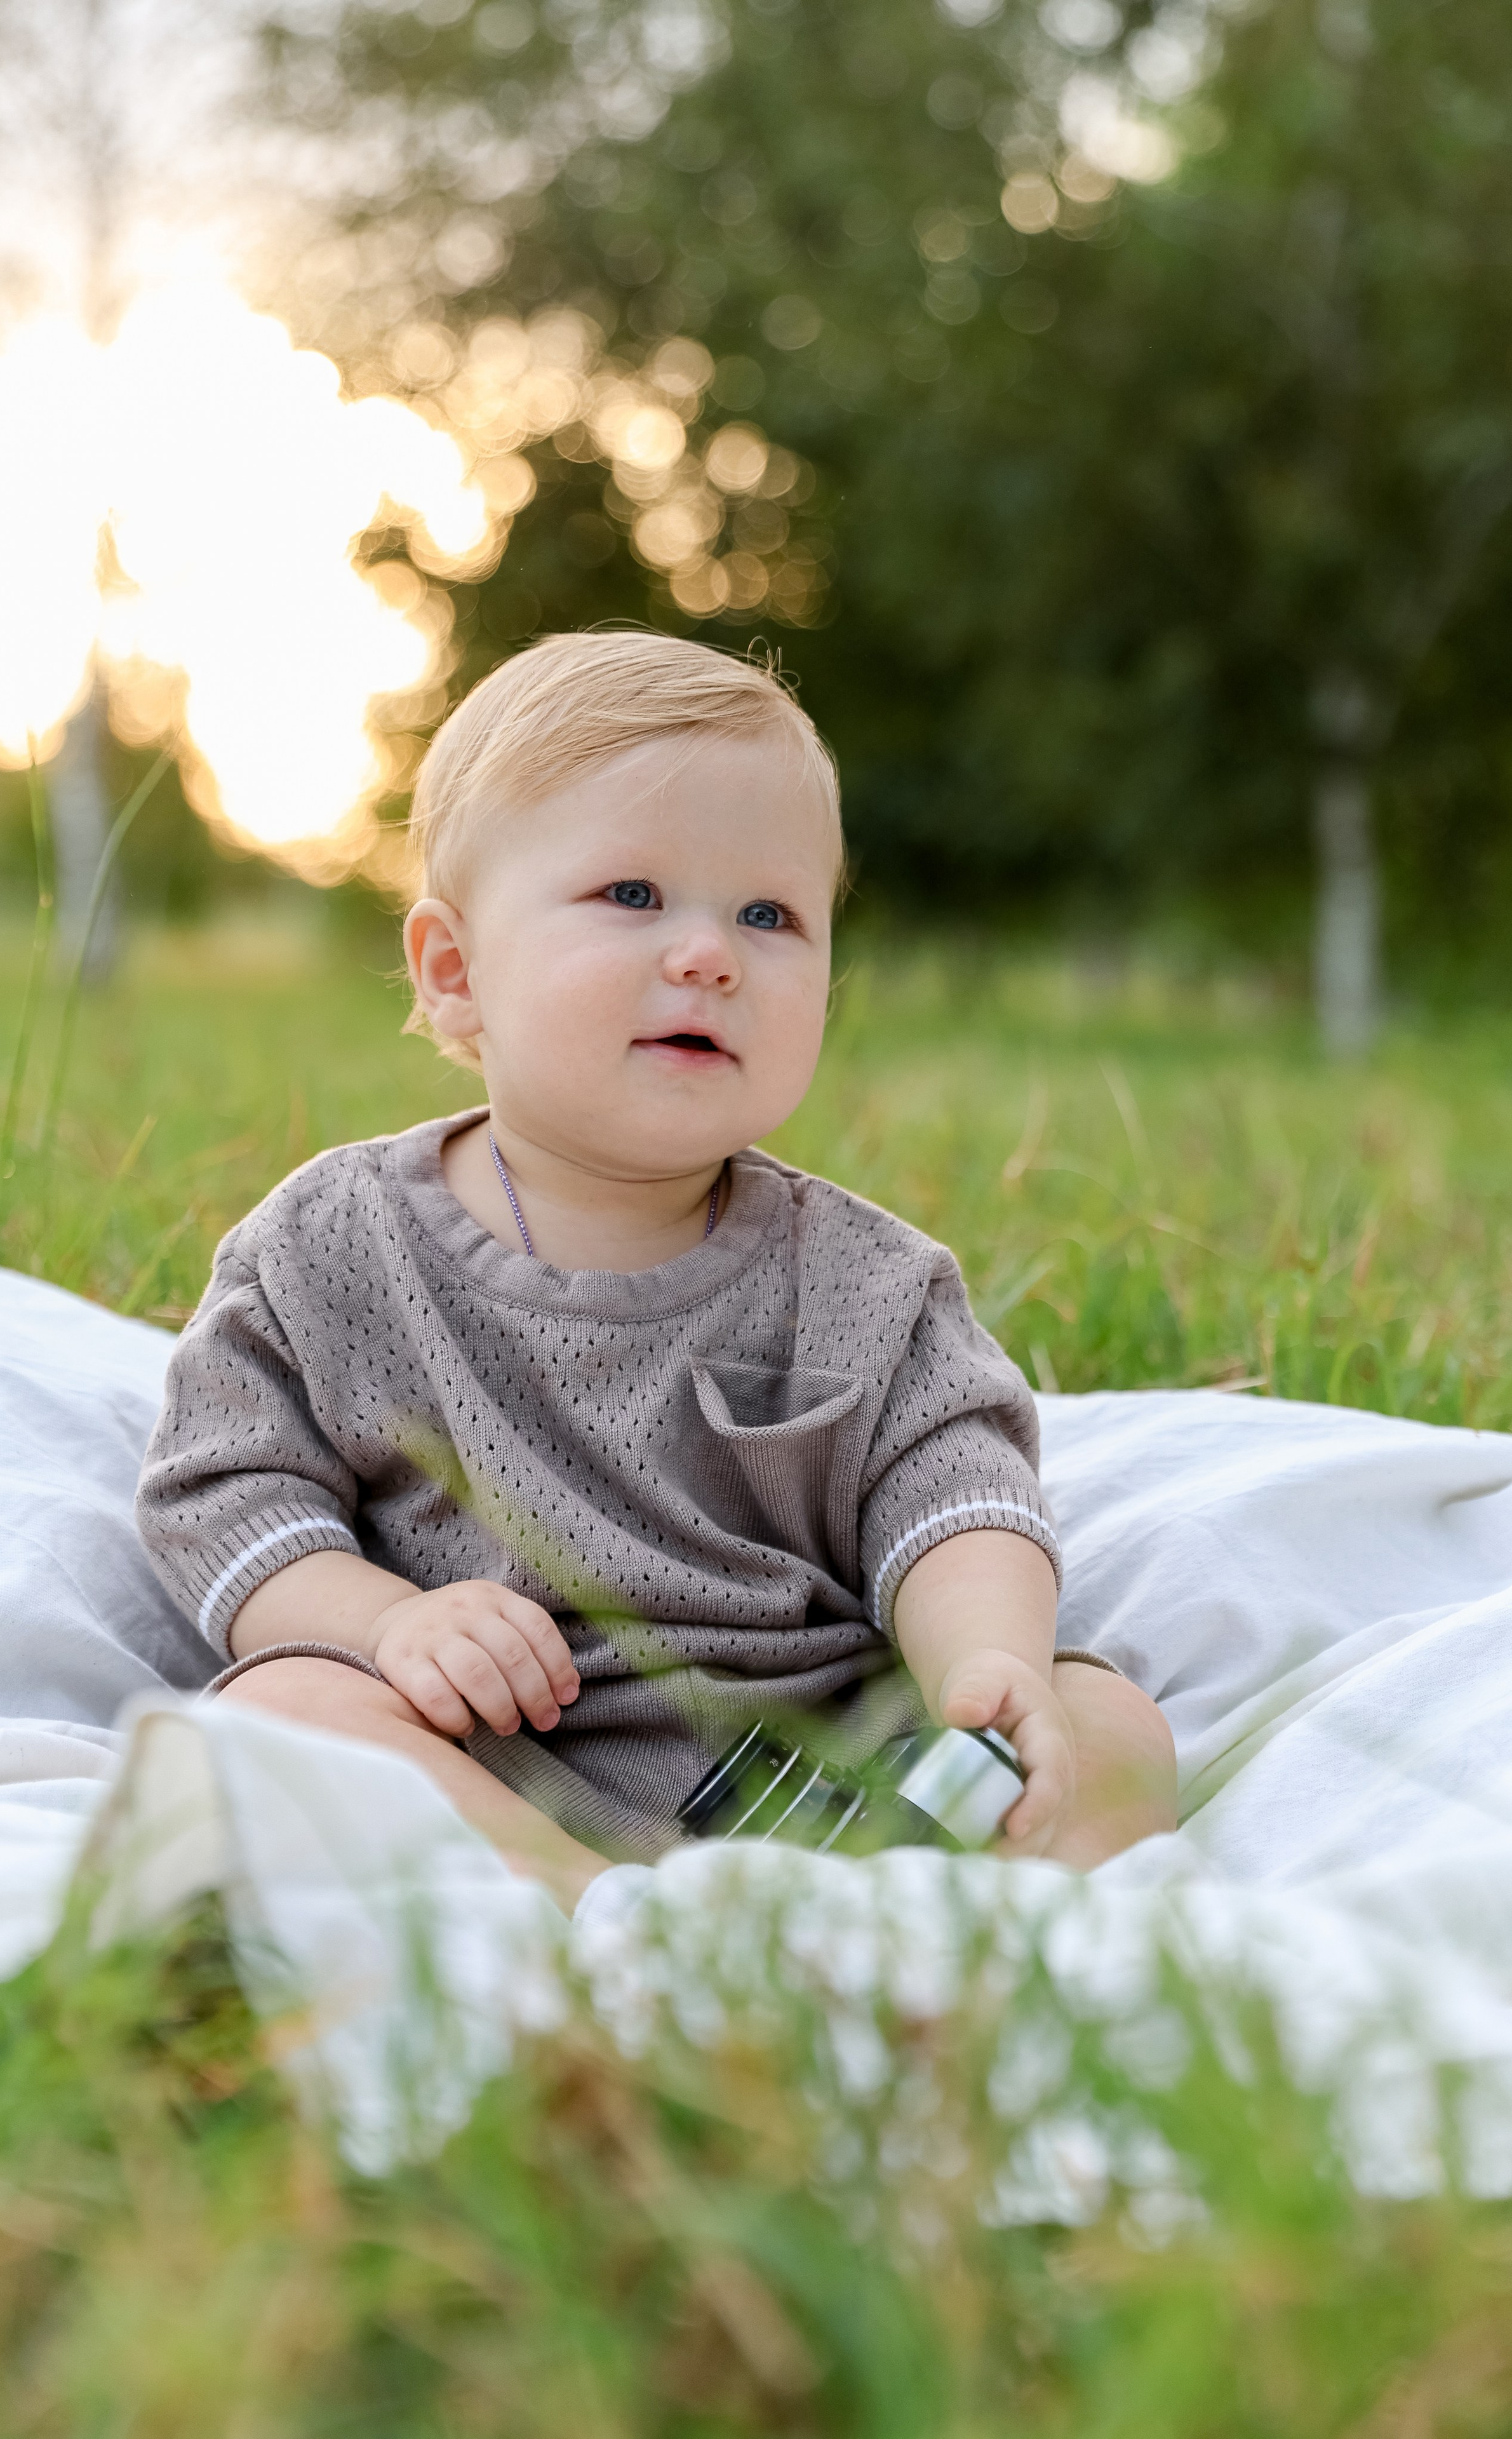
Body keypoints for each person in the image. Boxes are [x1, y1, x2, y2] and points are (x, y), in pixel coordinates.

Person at [136, 632, 1175, 1912]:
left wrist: (988, 1664)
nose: (708, 954)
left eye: (768, 915)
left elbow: (954, 1491)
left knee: (1105, 1716)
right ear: (456, 974)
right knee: (283, 1707)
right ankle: (596, 1922)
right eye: (632, 896)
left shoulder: (861, 1277)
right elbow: (227, 1496)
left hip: (840, 1769)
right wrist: (383, 1624)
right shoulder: (332, 1249)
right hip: (507, 1772)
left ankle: (922, 1936)